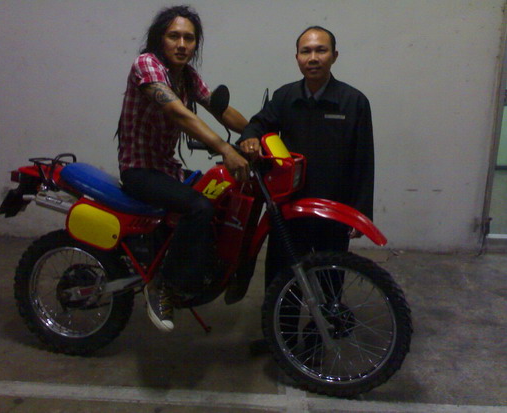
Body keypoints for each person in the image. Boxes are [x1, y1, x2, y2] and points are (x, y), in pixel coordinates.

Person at [116, 5, 249, 332]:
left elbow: (219, 109)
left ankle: (199, 269)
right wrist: (224, 149)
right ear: (160, 38)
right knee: (199, 207)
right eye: (174, 36)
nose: (182, 44)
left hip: (167, 168)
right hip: (139, 169)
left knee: (219, 198)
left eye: (189, 38)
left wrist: (257, 134)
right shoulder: (147, 65)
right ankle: (163, 286)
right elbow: (178, 112)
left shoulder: (187, 76)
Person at [239, 25, 374, 288]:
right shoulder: (285, 96)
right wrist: (250, 137)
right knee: (282, 278)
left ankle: (327, 316)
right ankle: (281, 317)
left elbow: (364, 160)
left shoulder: (354, 102)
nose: (313, 58)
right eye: (306, 51)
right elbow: (258, 123)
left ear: (334, 56)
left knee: (330, 279)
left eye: (321, 50)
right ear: (297, 57)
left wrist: (361, 212)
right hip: (290, 207)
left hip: (332, 208)